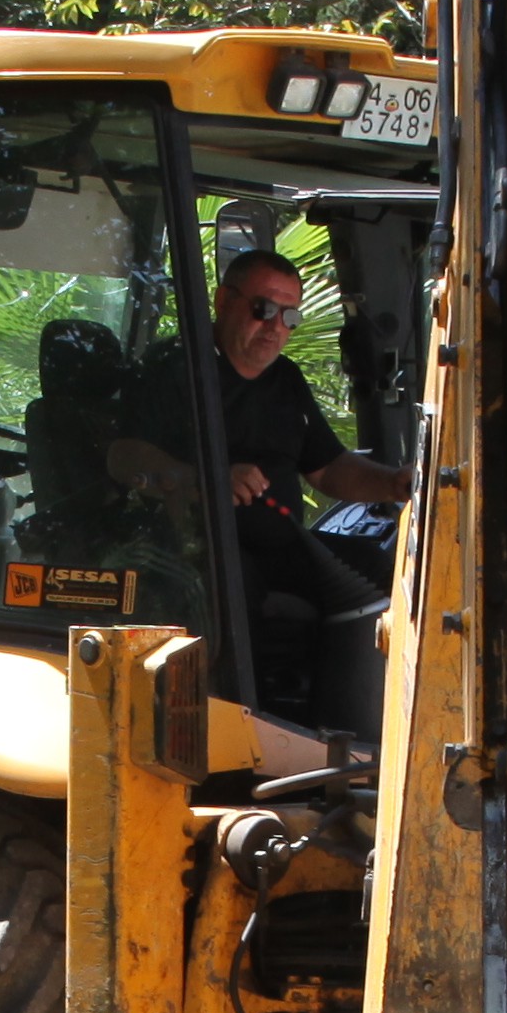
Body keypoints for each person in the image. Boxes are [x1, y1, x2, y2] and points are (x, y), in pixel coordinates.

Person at [118, 251, 409, 730]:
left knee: (383, 573)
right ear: (223, 301)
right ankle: (238, 735)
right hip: (198, 548)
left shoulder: (286, 381)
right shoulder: (177, 370)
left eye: (290, 315)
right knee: (234, 587)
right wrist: (204, 479)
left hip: (285, 547)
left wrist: (393, 483)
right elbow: (123, 456)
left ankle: (347, 735)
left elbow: (328, 469)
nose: (277, 327)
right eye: (264, 309)